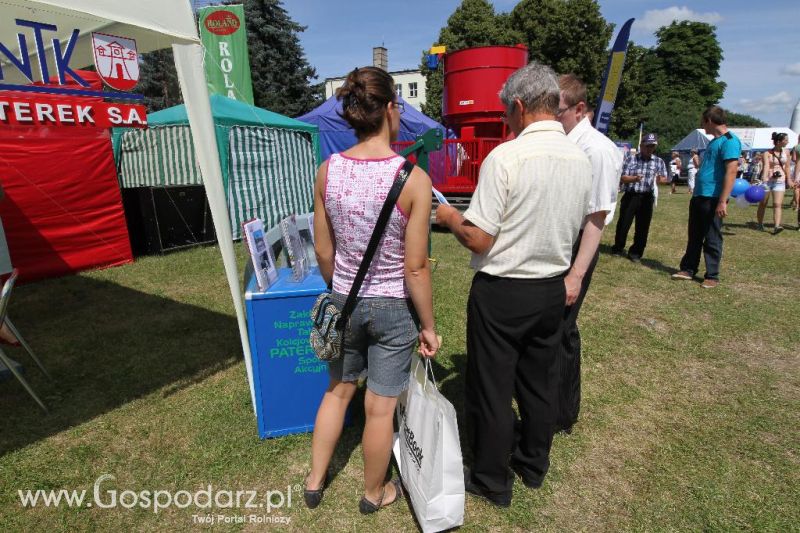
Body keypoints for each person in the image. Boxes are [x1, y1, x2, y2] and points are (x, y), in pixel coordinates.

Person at [435, 62, 592, 507]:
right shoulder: (579, 157)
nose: (505, 120)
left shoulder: (506, 157)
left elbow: (479, 236)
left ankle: (490, 477)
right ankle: (533, 464)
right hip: (550, 287)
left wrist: (449, 217)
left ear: (520, 107)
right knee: (540, 383)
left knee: (492, 387)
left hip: (503, 288)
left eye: (506, 112)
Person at [304, 66, 439, 514]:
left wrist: (337, 287)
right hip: (392, 308)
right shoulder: (413, 179)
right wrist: (430, 326)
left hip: (344, 300)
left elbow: (324, 251)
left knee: (337, 391)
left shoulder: (328, 171)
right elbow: (415, 268)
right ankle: (373, 492)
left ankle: (314, 480)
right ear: (391, 111)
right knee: (380, 408)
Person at [553, 74, 623, 434]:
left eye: (558, 111)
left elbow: (596, 219)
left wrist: (576, 274)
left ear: (580, 109)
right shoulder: (563, 141)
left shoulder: (596, 149)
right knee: (553, 327)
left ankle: (562, 414)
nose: (552, 119)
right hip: (559, 242)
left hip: (577, 247)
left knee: (563, 329)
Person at [672, 106, 741, 288]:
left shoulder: (730, 141)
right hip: (700, 195)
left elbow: (732, 171)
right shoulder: (714, 142)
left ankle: (712, 275)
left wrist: (722, 201)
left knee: (712, 237)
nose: (702, 126)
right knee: (694, 234)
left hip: (713, 197)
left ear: (709, 120)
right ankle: (688, 268)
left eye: (703, 122)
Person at [610, 133, 668, 262]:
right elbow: (622, 177)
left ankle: (636, 253)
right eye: (647, 146)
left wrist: (660, 179)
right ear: (641, 146)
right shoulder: (630, 159)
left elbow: (664, 178)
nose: (650, 149)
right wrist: (634, 179)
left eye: (652, 146)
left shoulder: (658, 161)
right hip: (631, 196)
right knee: (624, 223)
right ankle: (618, 248)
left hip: (647, 197)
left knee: (643, 226)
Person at [756, 132, 791, 234]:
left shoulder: (787, 152)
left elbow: (787, 167)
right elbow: (766, 166)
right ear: (779, 141)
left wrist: (789, 179)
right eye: (786, 140)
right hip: (767, 180)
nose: (787, 142)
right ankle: (760, 224)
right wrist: (764, 179)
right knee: (763, 203)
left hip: (780, 180)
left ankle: (776, 226)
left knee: (777, 204)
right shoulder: (767, 153)